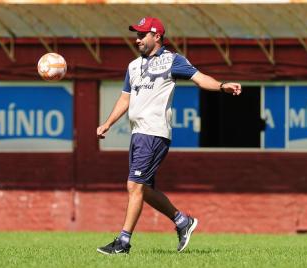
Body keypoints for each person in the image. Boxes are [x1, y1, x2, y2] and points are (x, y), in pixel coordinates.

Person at [96, 17, 242, 255]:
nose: (137, 39)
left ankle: (123, 243)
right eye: (137, 34)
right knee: (144, 190)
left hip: (154, 133)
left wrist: (222, 85)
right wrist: (108, 123)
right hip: (137, 133)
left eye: (143, 35)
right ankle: (183, 221)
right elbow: (125, 98)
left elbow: (200, 78)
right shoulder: (133, 66)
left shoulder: (172, 60)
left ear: (157, 36)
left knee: (134, 186)